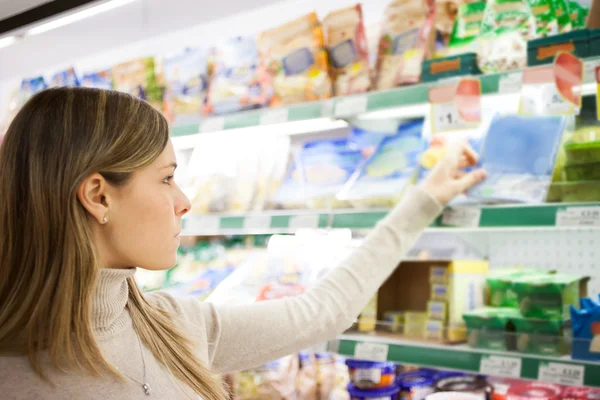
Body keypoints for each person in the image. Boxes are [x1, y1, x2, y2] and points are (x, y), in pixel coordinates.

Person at [0, 87, 486, 400]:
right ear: (98, 195)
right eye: (167, 179)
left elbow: (323, 311)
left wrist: (425, 199)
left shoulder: (173, 327)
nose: (184, 201)